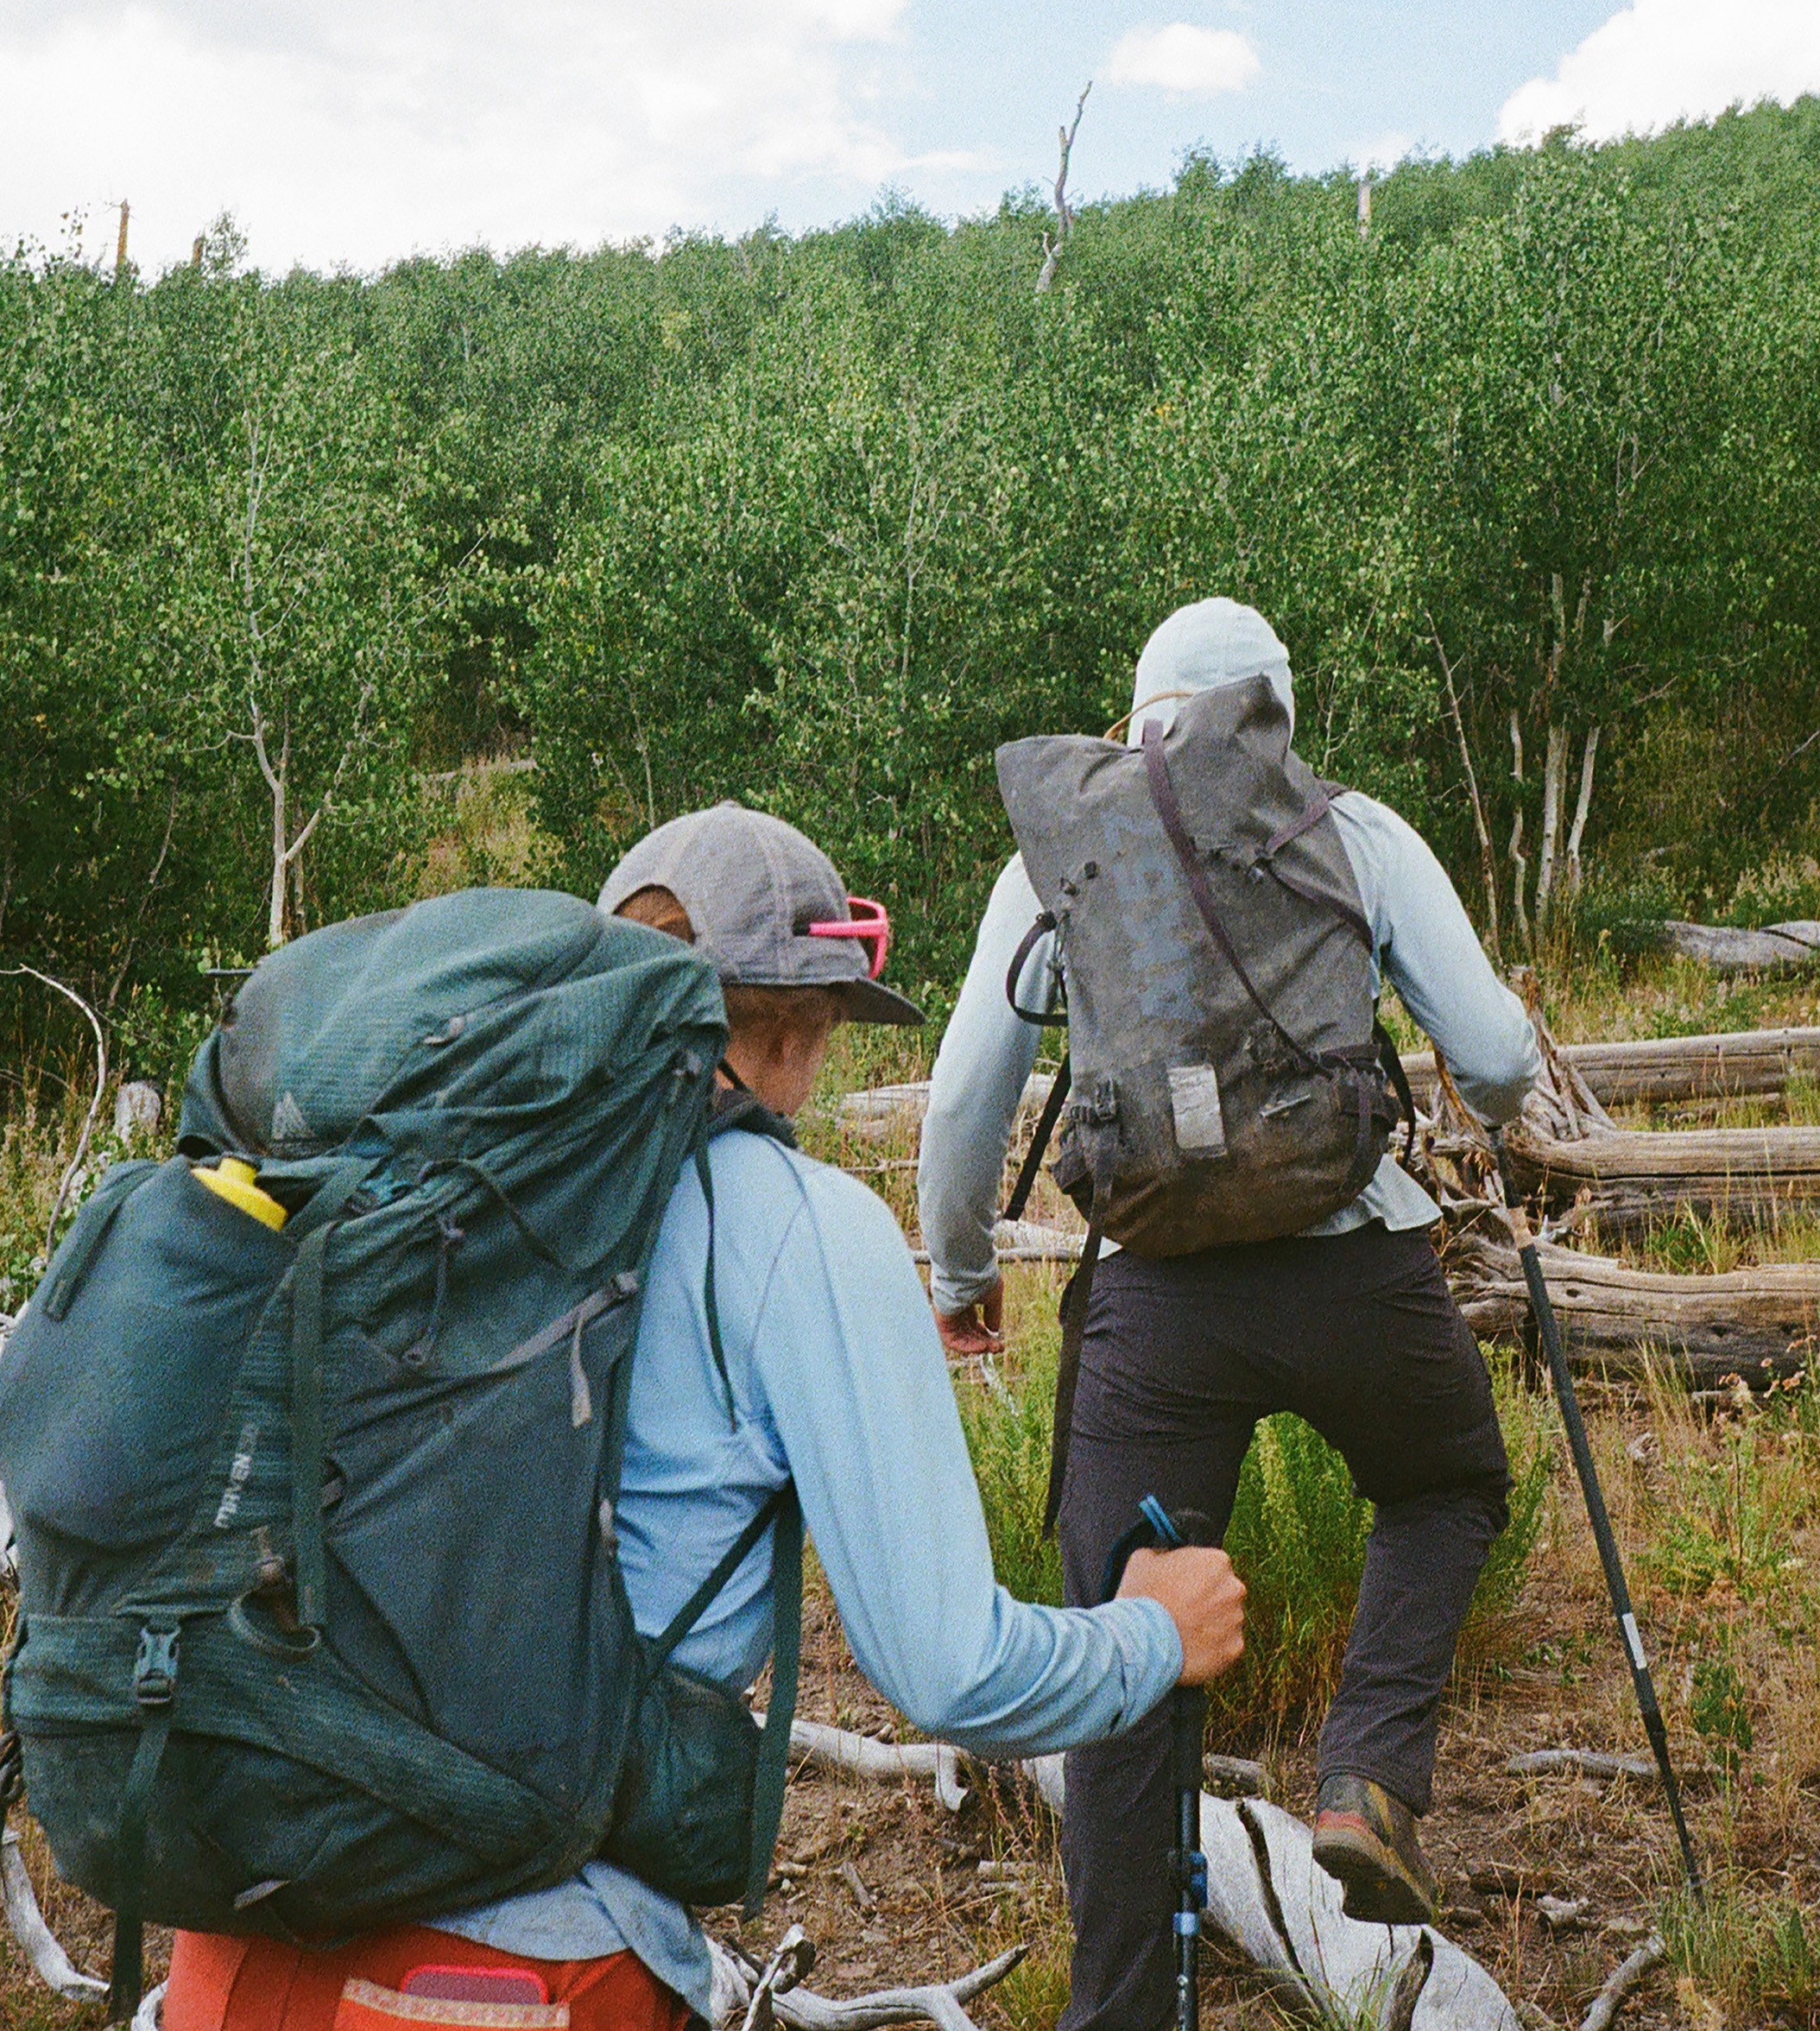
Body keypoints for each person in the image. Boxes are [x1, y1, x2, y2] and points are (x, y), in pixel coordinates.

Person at [161, 800, 1248, 2031]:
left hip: (236, 1933)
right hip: (511, 1975)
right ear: (796, 1029)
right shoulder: (801, 1228)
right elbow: (951, 1672)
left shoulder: (407, 1179)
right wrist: (1152, 1635)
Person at [917, 598, 1532, 2030]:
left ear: (1134, 718)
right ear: (1278, 711)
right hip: (1355, 1274)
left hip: (1155, 1304)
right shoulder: (1349, 829)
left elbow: (958, 1105)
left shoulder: (1058, 854)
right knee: (1444, 1483)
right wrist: (1487, 1109)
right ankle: (1367, 1776)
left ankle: (1122, 2010)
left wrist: (960, 1278)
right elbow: (1496, 1053)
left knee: (1123, 1642)